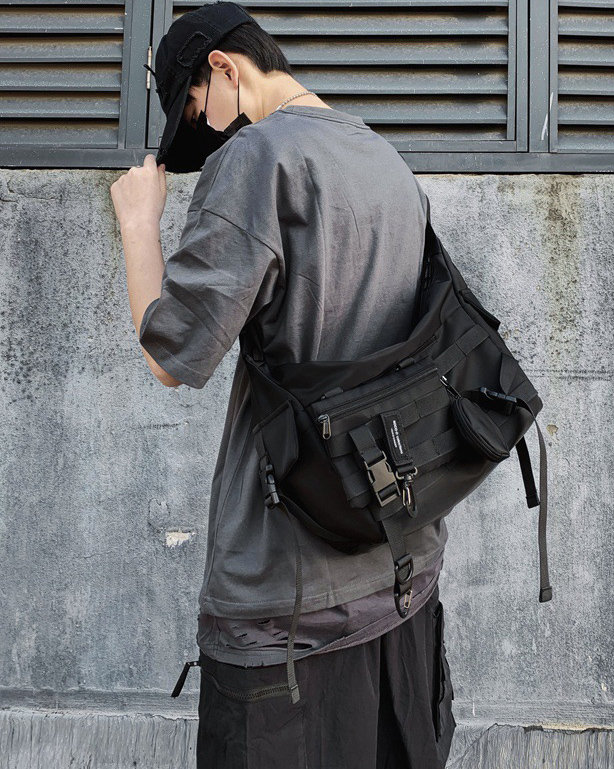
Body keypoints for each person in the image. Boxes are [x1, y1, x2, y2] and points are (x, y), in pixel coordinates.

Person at [109, 2, 456, 767]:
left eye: (195, 109)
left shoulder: (258, 158)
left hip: (286, 605)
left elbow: (173, 355)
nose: (207, 132)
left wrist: (137, 225)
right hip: (402, 576)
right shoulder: (381, 157)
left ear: (224, 69)